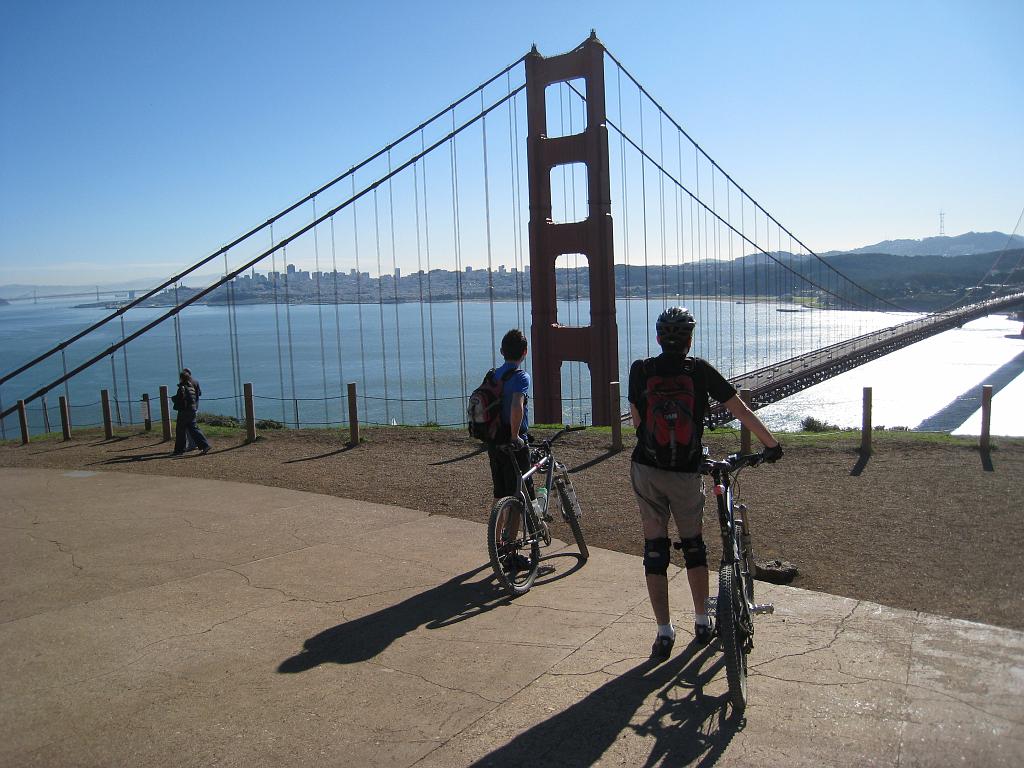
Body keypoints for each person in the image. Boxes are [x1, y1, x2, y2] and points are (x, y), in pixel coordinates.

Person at [628, 307, 782, 661]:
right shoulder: (699, 371)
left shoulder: (641, 370)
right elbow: (740, 410)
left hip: (646, 469)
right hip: (686, 471)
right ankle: (701, 622)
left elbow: (638, 421)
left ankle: (663, 633)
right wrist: (771, 446)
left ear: (657, 338)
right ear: (689, 339)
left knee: (655, 549)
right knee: (693, 546)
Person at [486, 329, 536, 571]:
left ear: (502, 352)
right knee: (518, 497)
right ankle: (512, 551)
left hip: (493, 443)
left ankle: (496, 545)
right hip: (513, 444)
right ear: (524, 353)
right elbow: (517, 405)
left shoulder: (493, 375)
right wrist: (516, 436)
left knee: (500, 495)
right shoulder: (520, 376)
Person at [172, 370, 211, 456]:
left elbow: (179, 399)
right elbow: (196, 395)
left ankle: (179, 450)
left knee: (180, 431)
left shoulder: (182, 387)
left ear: (182, 378)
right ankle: (205, 445)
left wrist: (173, 398)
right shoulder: (192, 386)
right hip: (192, 410)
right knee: (194, 429)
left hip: (184, 411)